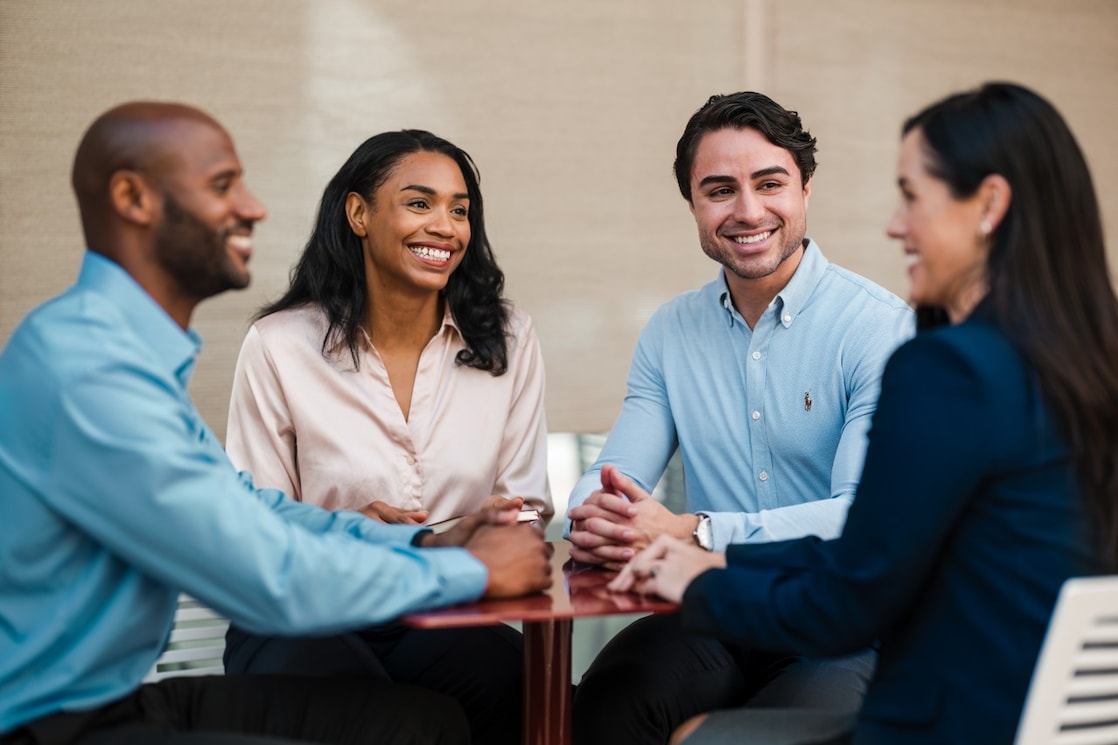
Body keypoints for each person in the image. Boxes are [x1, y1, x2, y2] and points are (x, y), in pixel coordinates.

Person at [0, 101, 553, 745]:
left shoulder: (119, 348)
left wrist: (425, 544)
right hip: (48, 725)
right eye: (221, 185)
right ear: (133, 198)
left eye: (459, 208)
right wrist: (473, 571)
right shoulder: (89, 366)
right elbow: (261, 572)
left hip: (108, 699)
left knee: (429, 718)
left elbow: (249, 507)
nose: (254, 207)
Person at [611, 81, 1118, 745]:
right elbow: (884, 554)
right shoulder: (1080, 361)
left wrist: (701, 570)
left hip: (942, 718)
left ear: (988, 204)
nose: (894, 224)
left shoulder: (947, 368)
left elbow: (853, 600)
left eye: (912, 196)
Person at [564, 91, 913, 744]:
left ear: (805, 189)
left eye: (769, 183)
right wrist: (597, 516)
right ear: (694, 206)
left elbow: (859, 516)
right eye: (719, 190)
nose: (747, 211)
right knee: (607, 704)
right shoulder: (671, 330)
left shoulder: (880, 328)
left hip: (844, 625)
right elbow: (613, 470)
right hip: (718, 614)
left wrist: (694, 532)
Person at [220, 129, 551, 745]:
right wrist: (377, 534)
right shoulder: (280, 346)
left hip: (440, 609)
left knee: (529, 688)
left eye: (460, 209)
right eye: (420, 203)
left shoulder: (508, 338)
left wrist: (499, 529)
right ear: (358, 213)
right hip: (304, 614)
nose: (446, 227)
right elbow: (250, 532)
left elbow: (527, 505)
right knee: (371, 713)